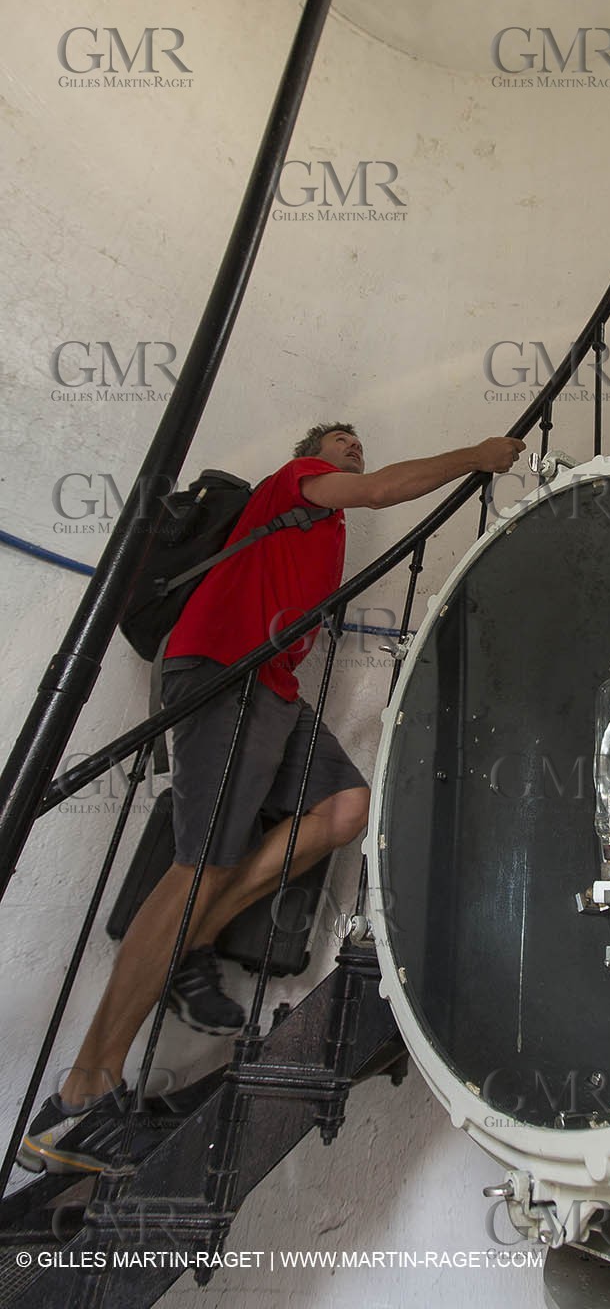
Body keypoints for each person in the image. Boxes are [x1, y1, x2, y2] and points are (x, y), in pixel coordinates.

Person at [20, 422, 524, 1174]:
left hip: (273, 690)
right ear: (308, 454)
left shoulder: (324, 527)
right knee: (201, 866)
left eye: (359, 441)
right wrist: (474, 458)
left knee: (346, 810)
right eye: (338, 439)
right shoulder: (295, 486)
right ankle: (81, 1095)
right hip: (225, 671)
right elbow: (388, 487)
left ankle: (187, 946)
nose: (353, 448)